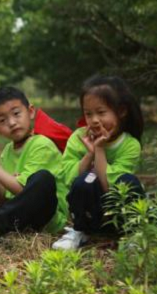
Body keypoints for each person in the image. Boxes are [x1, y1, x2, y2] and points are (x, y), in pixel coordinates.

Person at [52, 75, 144, 250]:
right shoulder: (78, 138)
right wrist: (89, 154)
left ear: (121, 111)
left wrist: (100, 149)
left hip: (118, 215)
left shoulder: (130, 145)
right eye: (88, 113)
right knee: (84, 180)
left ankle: (132, 233)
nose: (94, 120)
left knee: (129, 182)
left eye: (101, 112)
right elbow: (69, 180)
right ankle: (80, 231)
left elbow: (111, 187)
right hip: (91, 216)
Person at [0, 87, 68, 238]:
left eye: (16, 114)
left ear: (30, 111)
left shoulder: (42, 144)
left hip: (48, 218)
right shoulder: (8, 151)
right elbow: (3, 198)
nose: (12, 122)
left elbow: (23, 191)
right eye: (2, 120)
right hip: (22, 218)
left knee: (42, 178)